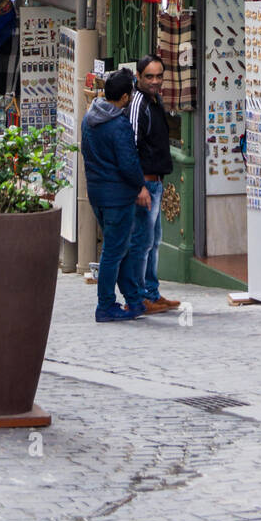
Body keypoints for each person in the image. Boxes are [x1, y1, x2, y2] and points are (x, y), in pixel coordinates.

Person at [81, 68, 151, 323]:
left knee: (119, 249)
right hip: (118, 197)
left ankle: (133, 299)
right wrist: (140, 186)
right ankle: (106, 305)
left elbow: (87, 153)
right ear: (123, 97)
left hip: (98, 194)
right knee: (113, 252)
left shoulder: (89, 119)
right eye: (130, 94)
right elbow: (128, 163)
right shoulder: (118, 124)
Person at [127, 55, 180, 314]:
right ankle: (138, 297)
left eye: (159, 76)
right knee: (142, 242)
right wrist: (139, 186)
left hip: (156, 183)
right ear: (138, 76)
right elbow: (131, 146)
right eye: (149, 76)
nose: (155, 81)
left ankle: (150, 292)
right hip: (146, 185)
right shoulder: (138, 103)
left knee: (153, 241)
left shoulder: (154, 100)